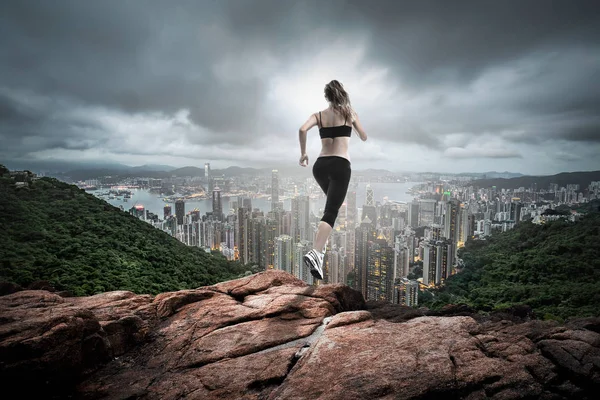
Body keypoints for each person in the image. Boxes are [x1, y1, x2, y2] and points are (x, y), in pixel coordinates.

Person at [298, 80, 368, 280]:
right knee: (331, 211)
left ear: (327, 96)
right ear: (341, 93)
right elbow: (364, 136)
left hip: (319, 167)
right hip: (340, 166)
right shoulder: (349, 113)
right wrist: (353, 123)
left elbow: (302, 130)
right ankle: (316, 252)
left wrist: (303, 154)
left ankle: (321, 250)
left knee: (330, 208)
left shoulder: (318, 115)